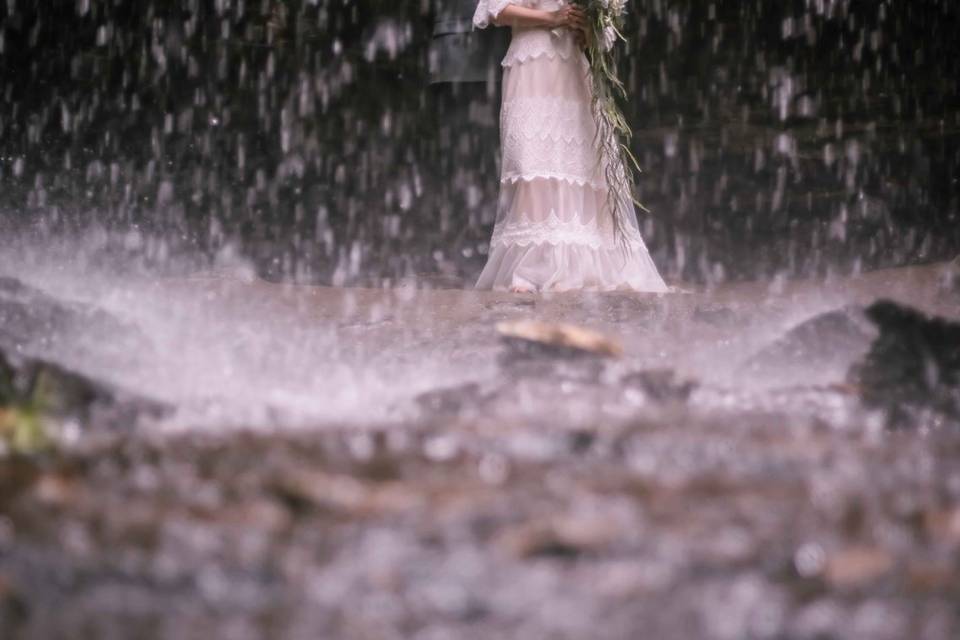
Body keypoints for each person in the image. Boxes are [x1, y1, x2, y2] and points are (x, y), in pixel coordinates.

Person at [472, 0, 669, 293]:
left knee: (575, 161)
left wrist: (586, 26)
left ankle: (573, 265)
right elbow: (498, 11)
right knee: (530, 162)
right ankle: (531, 267)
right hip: (530, 64)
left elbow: (601, 39)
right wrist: (550, 17)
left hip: (571, 68)